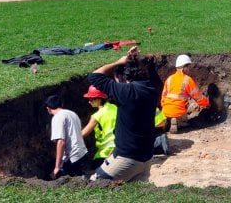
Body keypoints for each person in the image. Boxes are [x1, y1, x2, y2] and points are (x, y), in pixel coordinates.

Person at [87, 46, 160, 183]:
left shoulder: (126, 92)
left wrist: (118, 62)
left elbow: (94, 76)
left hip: (127, 158)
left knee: (95, 184)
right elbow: (150, 73)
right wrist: (134, 59)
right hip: (146, 158)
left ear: (124, 78)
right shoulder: (152, 88)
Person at [160, 54, 210, 133]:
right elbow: (198, 97)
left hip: (165, 111)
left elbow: (163, 98)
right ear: (184, 68)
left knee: (168, 113)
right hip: (178, 112)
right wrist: (207, 104)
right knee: (185, 121)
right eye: (189, 67)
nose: (190, 69)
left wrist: (166, 108)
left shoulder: (169, 79)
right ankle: (177, 121)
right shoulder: (187, 80)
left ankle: (166, 120)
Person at [45, 94, 88, 179]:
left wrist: (57, 167)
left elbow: (61, 142)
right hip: (82, 153)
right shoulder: (72, 114)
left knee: (67, 181)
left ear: (48, 108)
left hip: (73, 157)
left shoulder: (57, 117)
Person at [80, 85, 117, 169]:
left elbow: (83, 134)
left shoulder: (97, 116)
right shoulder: (115, 107)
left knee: (95, 170)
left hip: (105, 152)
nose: (89, 102)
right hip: (119, 148)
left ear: (99, 99)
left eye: (91, 99)